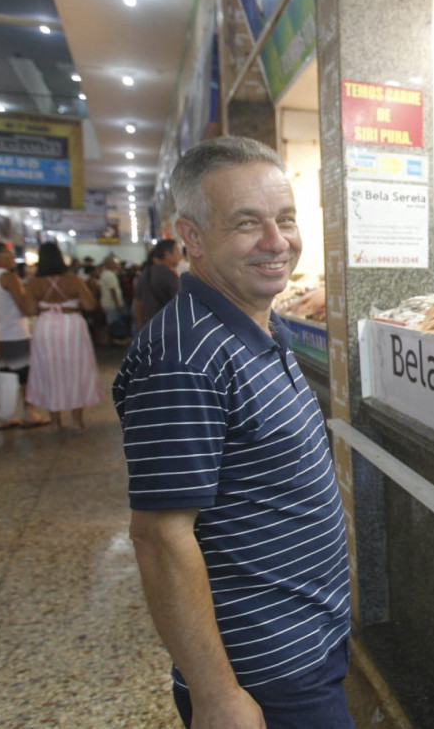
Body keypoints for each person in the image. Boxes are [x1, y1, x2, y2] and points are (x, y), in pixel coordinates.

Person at [113, 136, 353, 729]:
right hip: (263, 672)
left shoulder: (256, 324)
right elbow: (159, 537)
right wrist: (217, 695)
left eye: (286, 219)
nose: (277, 242)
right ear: (191, 237)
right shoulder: (184, 357)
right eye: (247, 223)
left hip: (306, 640)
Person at [24, 243, 101, 432]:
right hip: (71, 325)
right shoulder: (73, 280)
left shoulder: (34, 283)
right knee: (76, 369)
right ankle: (77, 419)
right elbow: (89, 305)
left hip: (45, 326)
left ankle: (55, 421)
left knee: (49, 371)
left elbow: (30, 309)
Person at [0, 243, 48, 429]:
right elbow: (24, 306)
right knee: (25, 375)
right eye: (8, 256)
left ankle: (6, 413)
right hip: (14, 332)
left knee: (4, 374)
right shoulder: (8, 277)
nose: (12, 260)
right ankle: (28, 412)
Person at [133, 239, 181, 328]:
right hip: (168, 326)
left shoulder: (145, 273)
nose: (180, 255)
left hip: (149, 325)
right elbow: (180, 304)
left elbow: (138, 304)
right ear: (167, 254)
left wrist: (141, 326)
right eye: (177, 251)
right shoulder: (169, 275)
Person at [98, 256, 128, 344]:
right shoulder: (110, 275)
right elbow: (113, 290)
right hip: (111, 304)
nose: (117, 265)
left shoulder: (104, 274)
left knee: (111, 321)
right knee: (113, 322)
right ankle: (113, 340)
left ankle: (110, 340)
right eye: (115, 263)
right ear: (110, 264)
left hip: (107, 303)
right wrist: (118, 303)